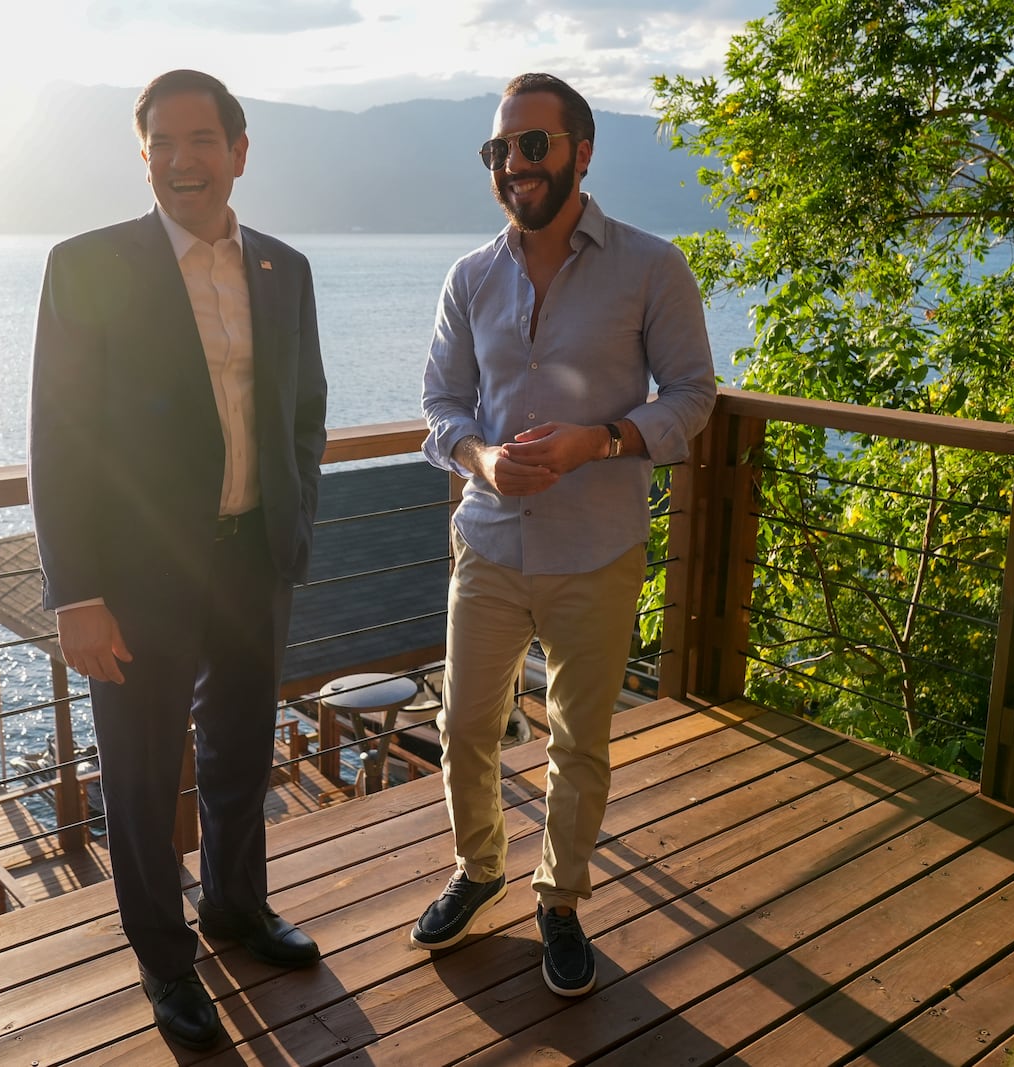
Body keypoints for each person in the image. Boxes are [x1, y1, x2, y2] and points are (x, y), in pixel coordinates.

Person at [27, 68, 328, 1051]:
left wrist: (294, 525)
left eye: (202, 140)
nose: (182, 160)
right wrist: (75, 591)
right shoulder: (87, 265)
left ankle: (238, 908)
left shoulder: (284, 268)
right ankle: (163, 955)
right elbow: (58, 439)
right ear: (144, 153)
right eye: (162, 141)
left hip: (251, 560)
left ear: (239, 152)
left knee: (241, 750)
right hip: (138, 576)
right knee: (142, 773)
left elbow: (304, 414)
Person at [412, 73, 717, 997]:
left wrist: (607, 439)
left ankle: (562, 899)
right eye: (499, 150)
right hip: (491, 540)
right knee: (466, 721)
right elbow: (440, 407)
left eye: (532, 145)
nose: (514, 164)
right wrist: (481, 459)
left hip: (598, 548)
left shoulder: (651, 266)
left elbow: (693, 397)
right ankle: (479, 867)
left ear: (582, 152)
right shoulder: (468, 277)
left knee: (580, 740)